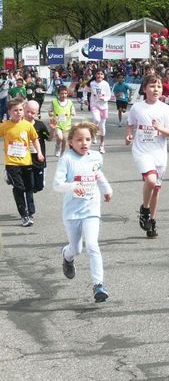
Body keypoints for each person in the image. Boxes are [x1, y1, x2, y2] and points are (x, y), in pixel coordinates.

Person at [53, 121, 113, 302]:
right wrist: (73, 186)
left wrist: (107, 190)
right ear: (70, 141)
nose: (84, 143)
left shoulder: (95, 157)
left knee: (93, 245)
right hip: (72, 213)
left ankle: (98, 285)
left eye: (88, 139)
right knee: (76, 249)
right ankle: (67, 256)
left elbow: (98, 174)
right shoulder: (67, 159)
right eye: (79, 140)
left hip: (91, 210)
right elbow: (57, 185)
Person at [126, 73, 169, 238]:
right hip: (142, 150)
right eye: (152, 86)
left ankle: (152, 222)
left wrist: (160, 128)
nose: (156, 89)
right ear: (144, 88)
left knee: (156, 189)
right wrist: (128, 135)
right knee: (151, 180)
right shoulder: (137, 107)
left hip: (159, 153)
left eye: (159, 86)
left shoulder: (166, 109)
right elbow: (130, 124)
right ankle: (145, 209)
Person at [0, 98, 44, 226]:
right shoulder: (5, 125)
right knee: (19, 188)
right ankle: (24, 215)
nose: (18, 112)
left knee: (29, 187)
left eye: (20, 110)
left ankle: (30, 212)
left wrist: (39, 152)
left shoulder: (27, 125)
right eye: (15, 110)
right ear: (9, 112)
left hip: (26, 162)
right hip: (12, 163)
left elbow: (35, 139)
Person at [25, 100, 53, 193]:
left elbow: (49, 138)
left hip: (38, 158)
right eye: (27, 111)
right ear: (24, 109)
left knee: (39, 187)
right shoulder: (19, 125)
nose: (29, 114)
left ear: (37, 113)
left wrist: (53, 130)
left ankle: (39, 183)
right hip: (25, 159)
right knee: (29, 186)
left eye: (32, 113)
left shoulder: (40, 125)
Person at [84, 69, 111, 153]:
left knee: (102, 126)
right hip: (94, 105)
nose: (99, 75)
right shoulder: (91, 83)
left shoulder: (105, 84)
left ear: (104, 76)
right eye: (98, 74)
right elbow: (85, 91)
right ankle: (94, 133)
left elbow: (109, 95)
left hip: (104, 106)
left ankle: (102, 145)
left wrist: (105, 98)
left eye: (101, 74)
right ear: (95, 75)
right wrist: (85, 99)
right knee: (96, 119)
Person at [48, 85, 76, 157]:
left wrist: (72, 113)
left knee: (64, 140)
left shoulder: (70, 102)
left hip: (67, 125)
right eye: (62, 93)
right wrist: (51, 114)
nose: (64, 95)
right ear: (58, 94)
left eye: (65, 93)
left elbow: (73, 111)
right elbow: (50, 111)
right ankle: (57, 147)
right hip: (57, 124)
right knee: (60, 137)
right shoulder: (54, 102)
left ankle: (62, 153)